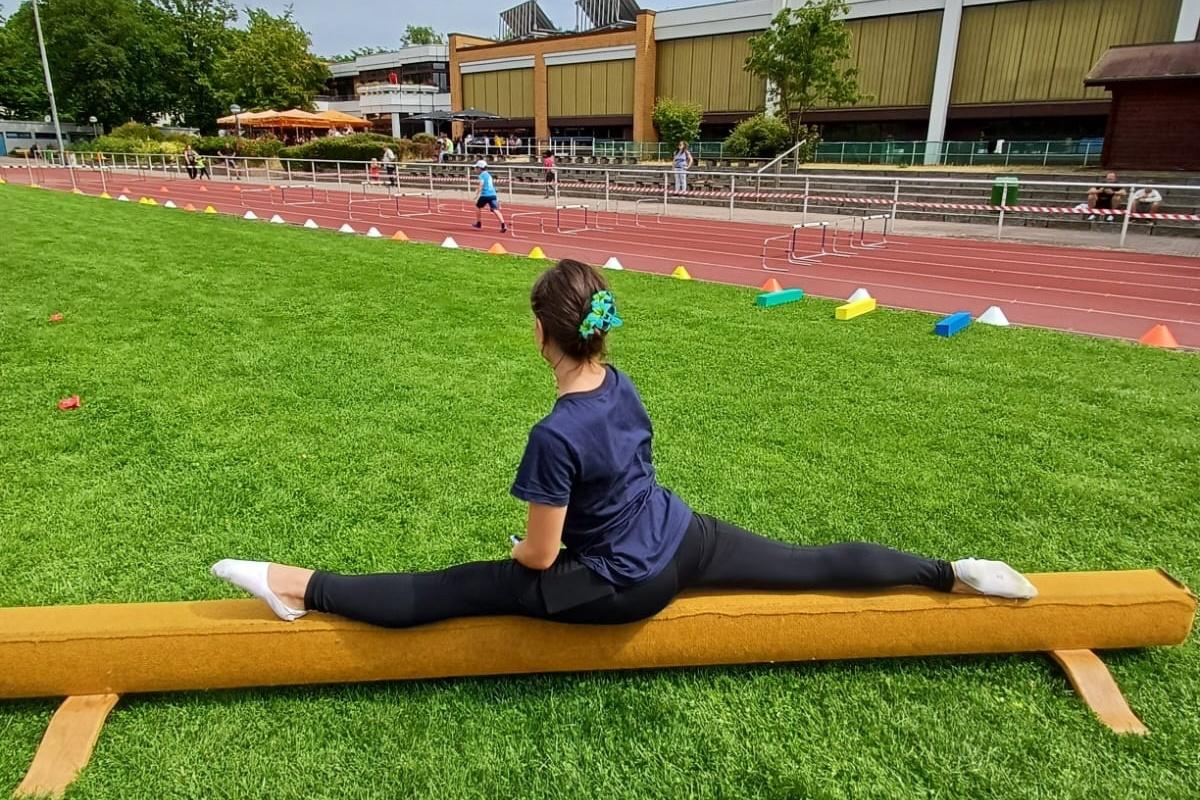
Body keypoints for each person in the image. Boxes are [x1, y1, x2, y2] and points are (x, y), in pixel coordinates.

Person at [212, 259, 1037, 630]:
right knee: (808, 559)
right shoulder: (621, 381)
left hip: (621, 587)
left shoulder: (552, 434)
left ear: (540, 332)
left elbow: (538, 562)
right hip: (683, 537)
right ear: (597, 330)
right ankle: (952, 573)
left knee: (448, 589)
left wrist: (527, 549)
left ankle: (294, 583)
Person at [470, 159, 507, 233]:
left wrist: (477, 194)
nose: (476, 169)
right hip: (493, 194)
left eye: (477, 168)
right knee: (495, 210)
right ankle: (503, 225)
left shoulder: (481, 175)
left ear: (480, 168)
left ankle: (478, 223)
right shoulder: (489, 175)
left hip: (485, 195)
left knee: (478, 206)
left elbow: (481, 184)